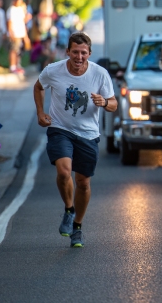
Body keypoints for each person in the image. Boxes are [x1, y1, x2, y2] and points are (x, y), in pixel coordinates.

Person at [33, 32, 117, 248]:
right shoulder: (53, 70)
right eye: (75, 52)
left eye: (83, 53)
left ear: (89, 53)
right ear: (67, 51)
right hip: (60, 128)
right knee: (63, 172)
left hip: (88, 134)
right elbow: (38, 86)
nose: (79, 57)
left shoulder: (100, 74)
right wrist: (40, 113)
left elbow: (114, 104)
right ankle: (69, 209)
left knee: (83, 182)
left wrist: (104, 102)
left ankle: (77, 226)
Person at [7, 0, 30, 74]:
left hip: (20, 33)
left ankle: (17, 65)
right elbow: (9, 21)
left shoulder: (21, 9)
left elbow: (23, 22)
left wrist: (25, 35)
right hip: (15, 33)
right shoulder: (11, 9)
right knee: (13, 50)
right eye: (17, 0)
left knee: (18, 51)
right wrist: (10, 32)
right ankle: (12, 66)